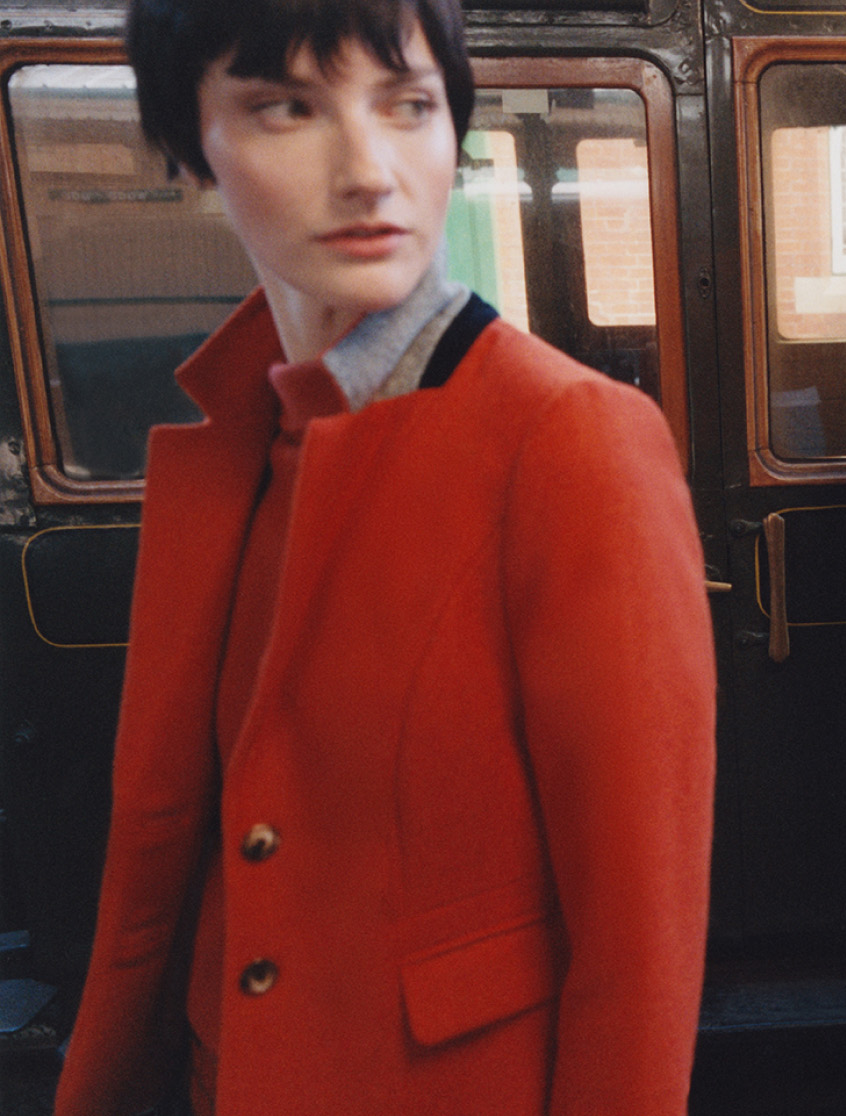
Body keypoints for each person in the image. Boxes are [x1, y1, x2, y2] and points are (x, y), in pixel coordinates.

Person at [53, 1, 717, 1113]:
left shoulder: (567, 441)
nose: (369, 171)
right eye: (286, 109)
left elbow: (637, 946)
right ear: (188, 152)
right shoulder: (241, 435)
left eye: (407, 107)